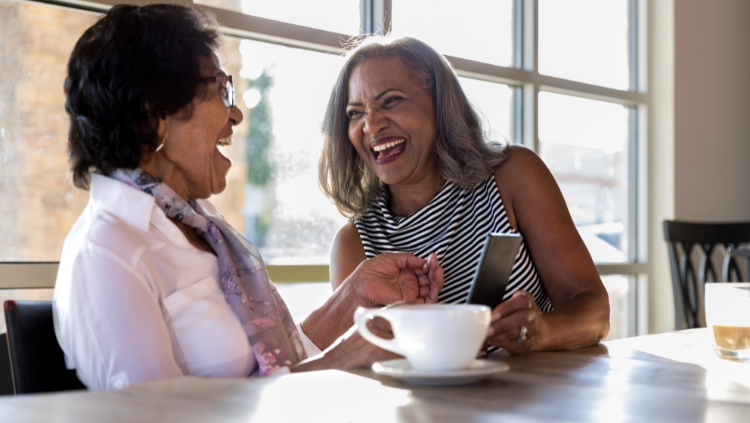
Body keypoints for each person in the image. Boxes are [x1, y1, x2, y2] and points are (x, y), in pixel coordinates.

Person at [53, 5, 443, 391]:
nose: (236, 113)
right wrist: (337, 362)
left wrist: (356, 297)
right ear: (156, 114)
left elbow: (279, 363)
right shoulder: (106, 253)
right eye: (220, 89)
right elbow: (158, 419)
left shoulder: (199, 222)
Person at [319, 36, 610, 355]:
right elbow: (359, 367)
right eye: (355, 112)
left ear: (439, 104)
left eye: (391, 101)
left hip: (541, 398)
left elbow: (595, 313)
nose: (371, 123)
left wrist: (542, 331)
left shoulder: (513, 176)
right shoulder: (354, 245)